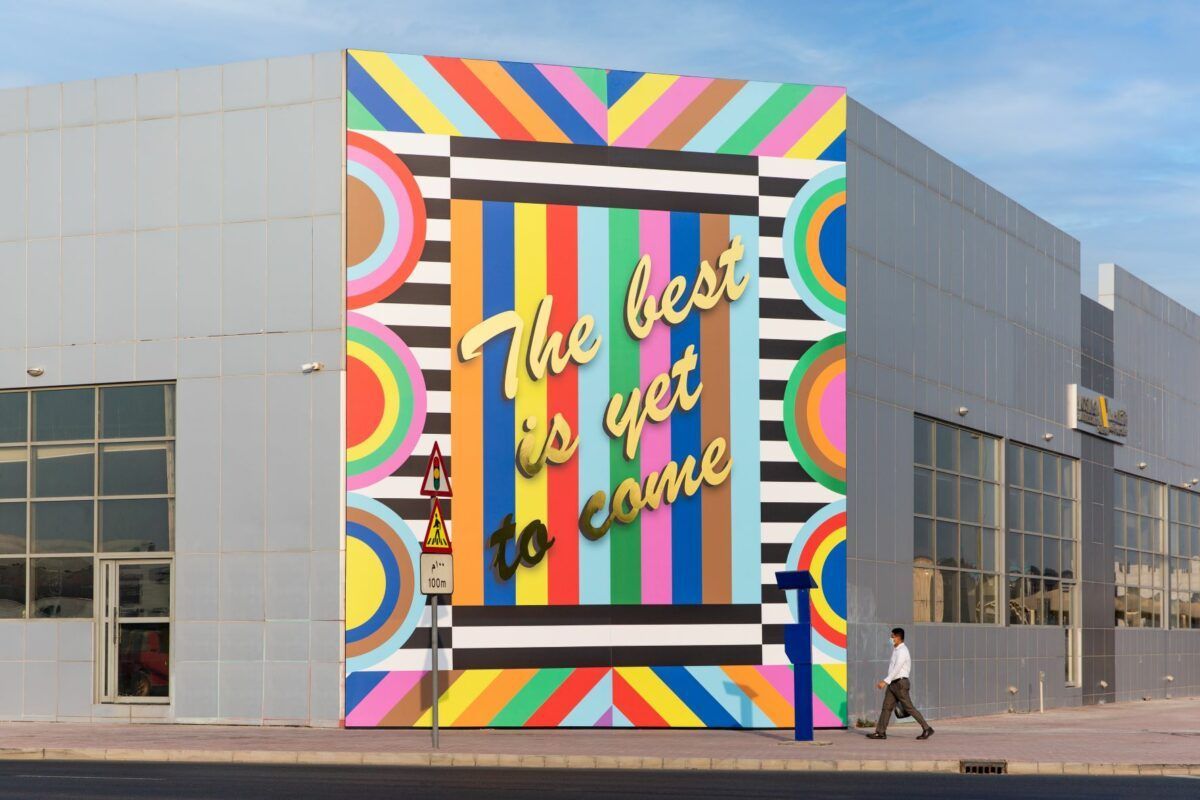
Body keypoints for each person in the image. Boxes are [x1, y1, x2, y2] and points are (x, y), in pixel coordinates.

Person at [865, 627, 934, 740]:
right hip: (893, 683)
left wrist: (885, 681)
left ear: (898, 637)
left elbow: (897, 668)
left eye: (892, 636)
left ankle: (927, 728)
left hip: (900, 683)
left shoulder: (902, 651)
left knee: (909, 708)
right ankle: (880, 732)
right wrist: (889, 681)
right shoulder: (896, 650)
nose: (891, 639)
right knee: (886, 707)